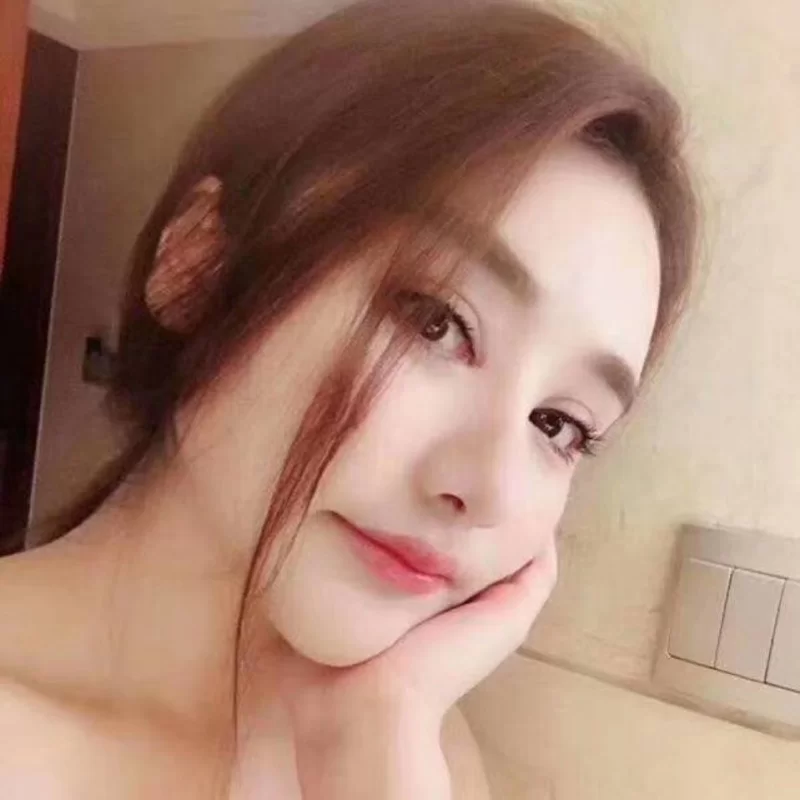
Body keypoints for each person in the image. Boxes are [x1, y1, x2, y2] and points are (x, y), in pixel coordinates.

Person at [0, 0, 697, 797]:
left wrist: (382, 747)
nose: (489, 488)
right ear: (198, 264)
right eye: (436, 322)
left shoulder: (409, 751)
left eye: (560, 425)